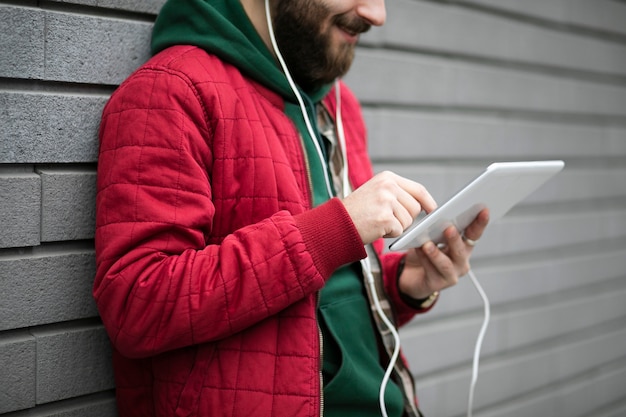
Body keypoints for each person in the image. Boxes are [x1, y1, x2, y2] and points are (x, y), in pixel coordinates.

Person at [93, 0, 489, 416]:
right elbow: (136, 306)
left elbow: (326, 308)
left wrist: (407, 285)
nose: (377, 14)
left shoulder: (336, 104)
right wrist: (335, 230)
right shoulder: (171, 90)